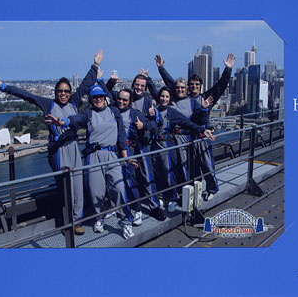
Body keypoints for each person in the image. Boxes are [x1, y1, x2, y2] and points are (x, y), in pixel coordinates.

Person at [0, 50, 104, 236]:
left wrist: (95, 65)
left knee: (78, 186)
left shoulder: (74, 102)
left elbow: (85, 84)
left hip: (73, 146)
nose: (64, 94)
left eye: (66, 91)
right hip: (58, 150)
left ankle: (77, 221)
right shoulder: (48, 104)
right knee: (64, 188)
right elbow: (27, 95)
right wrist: (3, 87)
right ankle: (66, 222)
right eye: (60, 91)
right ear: (56, 92)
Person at [46, 78, 135, 239]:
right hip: (93, 157)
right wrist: (62, 121)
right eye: (95, 97)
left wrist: (126, 158)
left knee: (119, 189)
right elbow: (75, 119)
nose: (98, 99)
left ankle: (125, 222)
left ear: (104, 97)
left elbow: (121, 136)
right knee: (96, 192)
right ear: (91, 99)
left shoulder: (113, 111)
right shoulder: (88, 114)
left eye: (101, 96)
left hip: (111, 156)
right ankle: (99, 218)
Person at [155, 53, 235, 200]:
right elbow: (172, 84)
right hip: (186, 137)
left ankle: (212, 188)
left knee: (206, 163)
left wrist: (228, 69)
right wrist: (161, 69)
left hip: (201, 135)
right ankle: (190, 192)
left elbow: (220, 87)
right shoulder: (183, 96)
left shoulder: (205, 97)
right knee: (188, 166)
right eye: (191, 85)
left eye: (196, 85)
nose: (193, 87)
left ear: (200, 86)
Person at [148, 87, 215, 213]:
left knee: (169, 171)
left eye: (167, 97)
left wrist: (202, 130)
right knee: (156, 172)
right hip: (154, 144)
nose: (164, 99)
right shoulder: (153, 110)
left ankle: (172, 198)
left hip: (167, 144)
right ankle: (162, 196)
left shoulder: (171, 112)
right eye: (162, 96)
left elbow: (186, 123)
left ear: (170, 99)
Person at [110, 88, 166, 222]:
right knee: (129, 179)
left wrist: (144, 126)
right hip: (122, 151)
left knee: (147, 176)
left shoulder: (135, 113)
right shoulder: (111, 111)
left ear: (129, 102)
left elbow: (157, 123)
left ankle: (154, 206)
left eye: (125, 100)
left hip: (137, 147)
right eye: (120, 99)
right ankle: (136, 208)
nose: (121, 102)